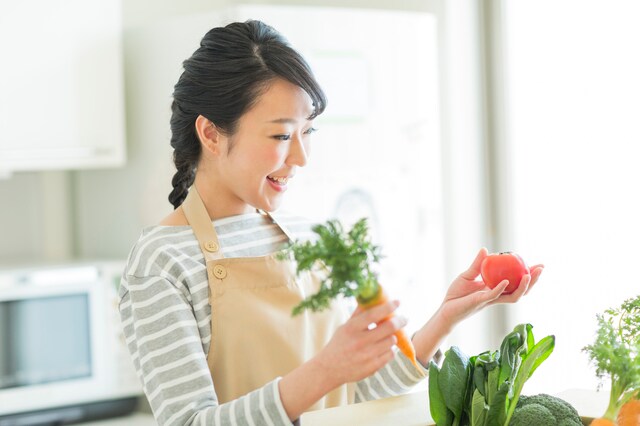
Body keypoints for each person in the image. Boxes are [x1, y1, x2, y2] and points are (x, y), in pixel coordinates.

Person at [118, 20, 544, 426]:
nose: (301, 158)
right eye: (282, 136)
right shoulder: (162, 262)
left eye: (309, 133)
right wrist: (322, 372)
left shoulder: (308, 237)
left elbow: (360, 395)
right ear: (211, 134)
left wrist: (445, 318)